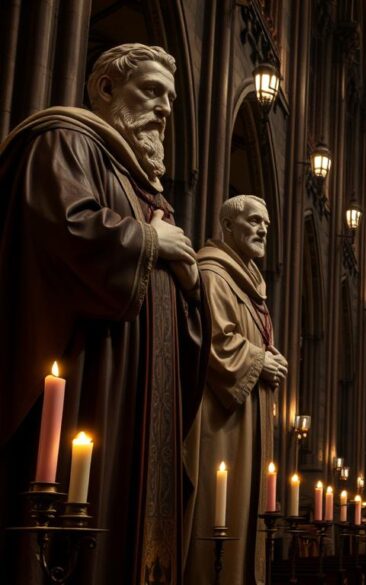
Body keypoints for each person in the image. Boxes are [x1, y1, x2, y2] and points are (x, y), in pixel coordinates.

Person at [0, 44, 208, 585]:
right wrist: (147, 239)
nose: (165, 109)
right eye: (152, 91)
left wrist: (188, 287)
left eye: (171, 99)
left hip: (141, 395)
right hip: (93, 377)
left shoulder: (143, 186)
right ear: (106, 90)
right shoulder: (64, 140)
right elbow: (63, 230)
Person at [184, 195, 287, 585]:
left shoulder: (248, 282)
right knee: (219, 506)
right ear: (227, 226)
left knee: (243, 508)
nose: (263, 230)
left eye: (266, 225)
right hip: (221, 421)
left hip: (248, 415)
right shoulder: (214, 274)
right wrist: (261, 361)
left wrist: (267, 358)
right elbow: (214, 341)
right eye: (254, 221)